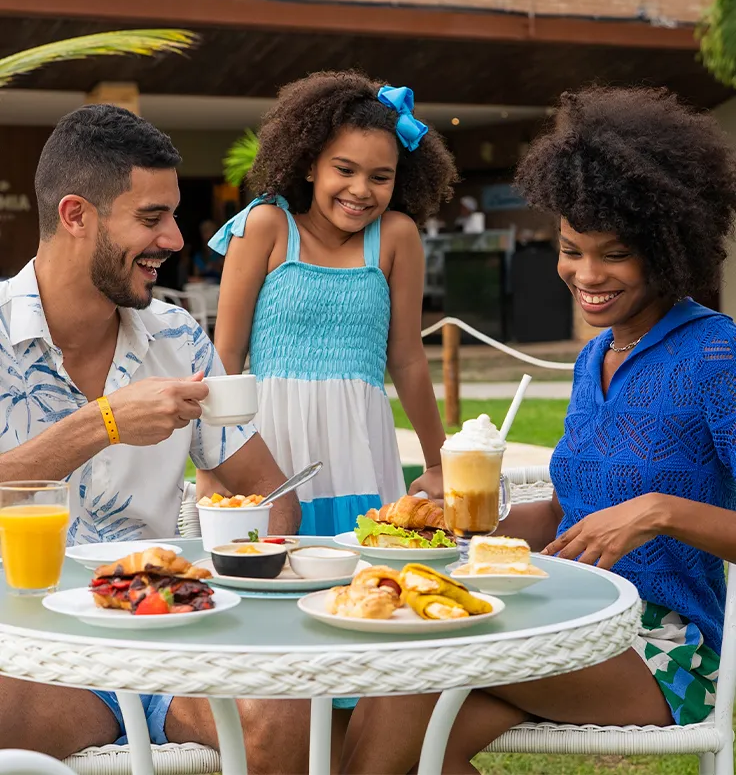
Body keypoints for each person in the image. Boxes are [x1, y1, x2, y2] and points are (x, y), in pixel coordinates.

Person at [341, 86, 736, 774]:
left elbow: (632, 514)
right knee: (398, 734)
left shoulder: (715, 355)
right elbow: (565, 510)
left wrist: (658, 512)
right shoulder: (595, 356)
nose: (586, 275)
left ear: (670, 246)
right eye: (570, 249)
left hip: (664, 648)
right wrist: (461, 526)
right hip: (570, 616)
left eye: (613, 255)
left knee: (413, 664)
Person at [0, 104, 301, 766]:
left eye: (171, 214)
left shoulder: (179, 338)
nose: (173, 238)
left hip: (164, 634)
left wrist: (242, 582)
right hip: (22, 647)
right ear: (76, 215)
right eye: (150, 218)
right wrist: (103, 423)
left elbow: (271, 489)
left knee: (279, 720)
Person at [206, 70, 458, 534]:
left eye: (380, 177)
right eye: (344, 170)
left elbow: (407, 359)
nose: (361, 190)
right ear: (309, 164)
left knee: (360, 576)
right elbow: (225, 355)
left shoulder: (397, 238)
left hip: (358, 445)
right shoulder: (266, 226)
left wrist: (439, 461)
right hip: (272, 444)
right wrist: (210, 465)